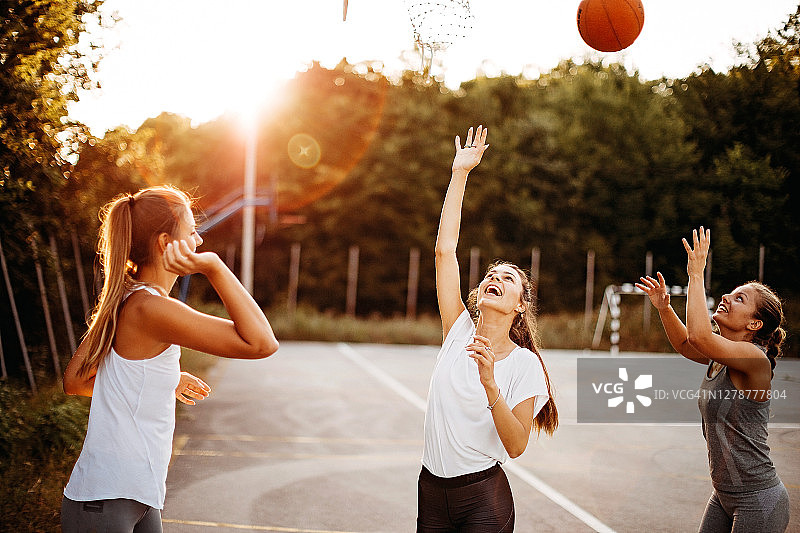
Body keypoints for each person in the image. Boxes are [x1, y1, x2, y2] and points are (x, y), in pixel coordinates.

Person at [62, 185, 279, 533]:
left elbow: (76, 381)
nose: (199, 242)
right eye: (192, 231)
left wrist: (163, 379)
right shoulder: (152, 308)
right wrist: (214, 268)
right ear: (166, 243)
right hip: (108, 498)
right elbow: (261, 343)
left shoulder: (130, 298)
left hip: (133, 494)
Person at [418, 126, 558, 532]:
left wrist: (490, 383)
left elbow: (516, 446)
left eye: (509, 278)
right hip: (430, 491)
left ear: (520, 306)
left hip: (482, 500)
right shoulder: (457, 329)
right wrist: (460, 174)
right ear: (479, 293)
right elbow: (445, 251)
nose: (495, 277)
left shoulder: (525, 365)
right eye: (492, 274)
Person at [636, 227, 789, 533]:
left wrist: (696, 274)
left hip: (758, 499)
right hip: (723, 495)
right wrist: (664, 307)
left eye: (739, 298)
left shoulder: (754, 361)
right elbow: (685, 344)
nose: (726, 297)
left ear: (754, 323)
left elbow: (699, 335)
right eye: (731, 293)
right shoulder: (720, 356)